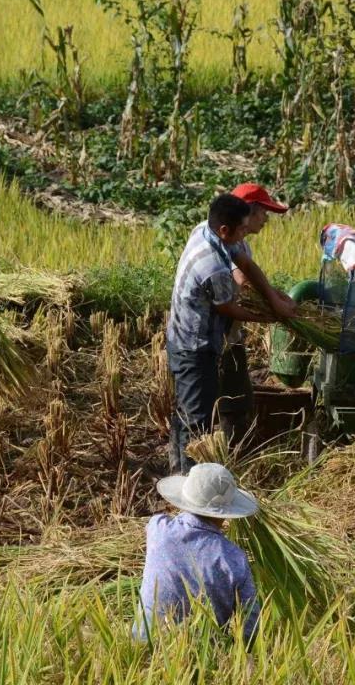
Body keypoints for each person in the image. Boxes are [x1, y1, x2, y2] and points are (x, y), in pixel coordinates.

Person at [165, 194, 277, 476]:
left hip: (183, 334)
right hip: (194, 345)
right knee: (197, 419)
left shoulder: (205, 230)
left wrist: (274, 297)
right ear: (225, 230)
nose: (244, 234)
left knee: (186, 408)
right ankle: (190, 480)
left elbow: (244, 264)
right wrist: (267, 316)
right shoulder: (212, 266)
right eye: (241, 229)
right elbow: (228, 307)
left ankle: (178, 468)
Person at [136, 462, 260, 645]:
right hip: (204, 659)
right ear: (226, 512)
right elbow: (250, 625)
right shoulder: (234, 559)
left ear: (185, 498)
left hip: (142, 648)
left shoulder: (157, 528)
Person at [219, 183, 295, 452]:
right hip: (215, 337)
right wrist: (276, 312)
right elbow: (244, 284)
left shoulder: (241, 244)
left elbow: (251, 275)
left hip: (231, 335)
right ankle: (216, 458)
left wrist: (277, 296)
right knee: (226, 402)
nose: (267, 220)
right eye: (265, 213)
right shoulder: (224, 240)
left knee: (240, 399)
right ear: (249, 212)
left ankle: (235, 455)